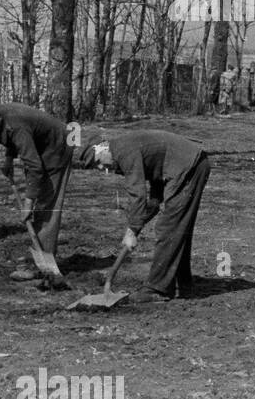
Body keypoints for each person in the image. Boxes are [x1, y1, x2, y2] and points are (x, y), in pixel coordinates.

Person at [76, 128, 212, 303]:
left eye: (98, 163)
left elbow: (137, 194)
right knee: (178, 227)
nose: (103, 169)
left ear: (103, 149)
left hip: (189, 167)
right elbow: (156, 170)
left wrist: (132, 230)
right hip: (187, 164)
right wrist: (148, 211)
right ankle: (182, 283)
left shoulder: (124, 152)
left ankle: (157, 289)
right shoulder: (123, 148)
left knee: (169, 227)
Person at [0, 101, 74, 281]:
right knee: (40, 201)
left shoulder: (17, 126)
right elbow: (12, 139)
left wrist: (28, 202)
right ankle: (41, 259)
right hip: (41, 147)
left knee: (46, 205)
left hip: (57, 148)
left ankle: (46, 267)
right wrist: (9, 160)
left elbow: (34, 166)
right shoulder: (3, 118)